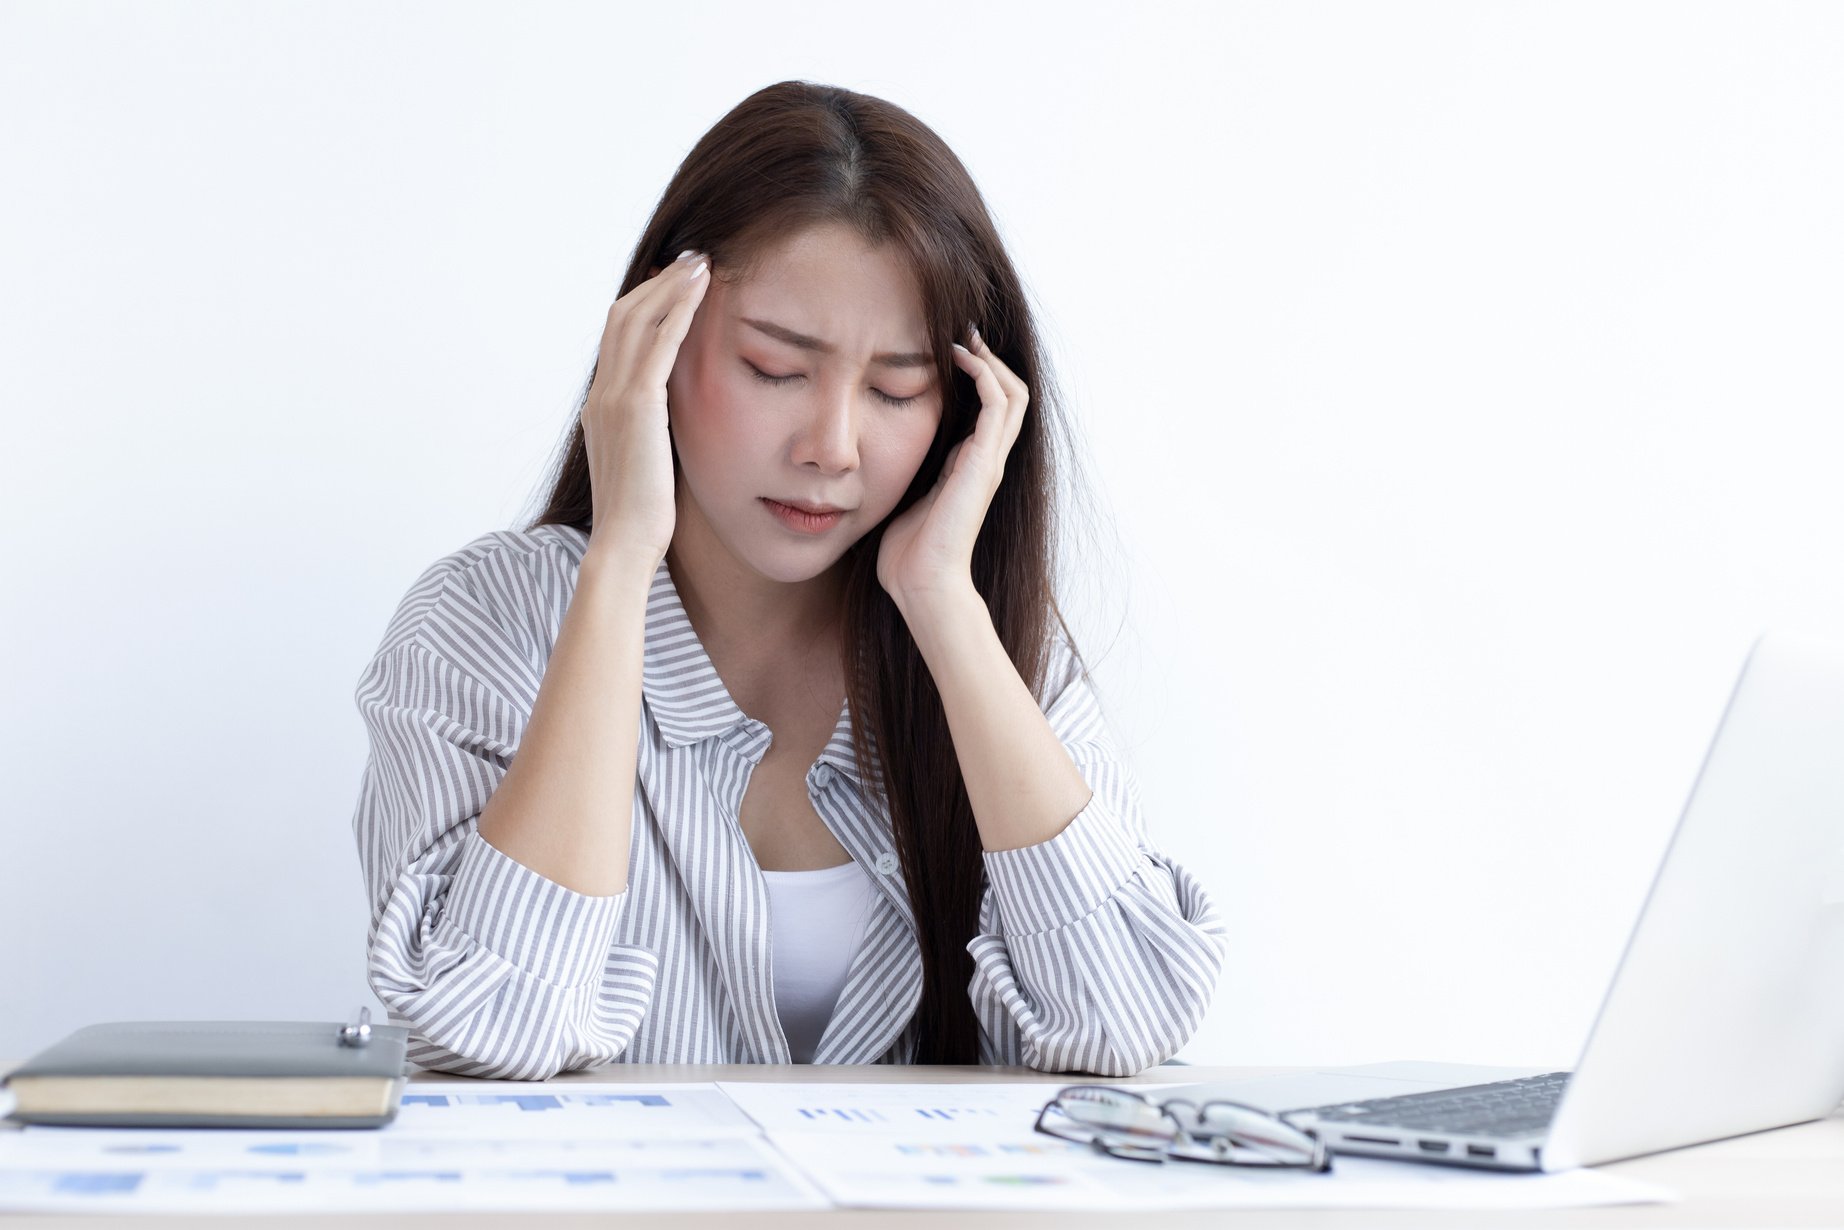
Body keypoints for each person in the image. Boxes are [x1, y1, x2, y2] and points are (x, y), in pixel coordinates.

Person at [350, 80, 1228, 1079]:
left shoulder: (995, 655)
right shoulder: (483, 626)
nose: (831, 447)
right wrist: (621, 559)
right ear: (654, 347)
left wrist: (943, 602)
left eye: (896, 390)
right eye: (775, 368)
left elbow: (1125, 1022)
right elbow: (485, 1032)